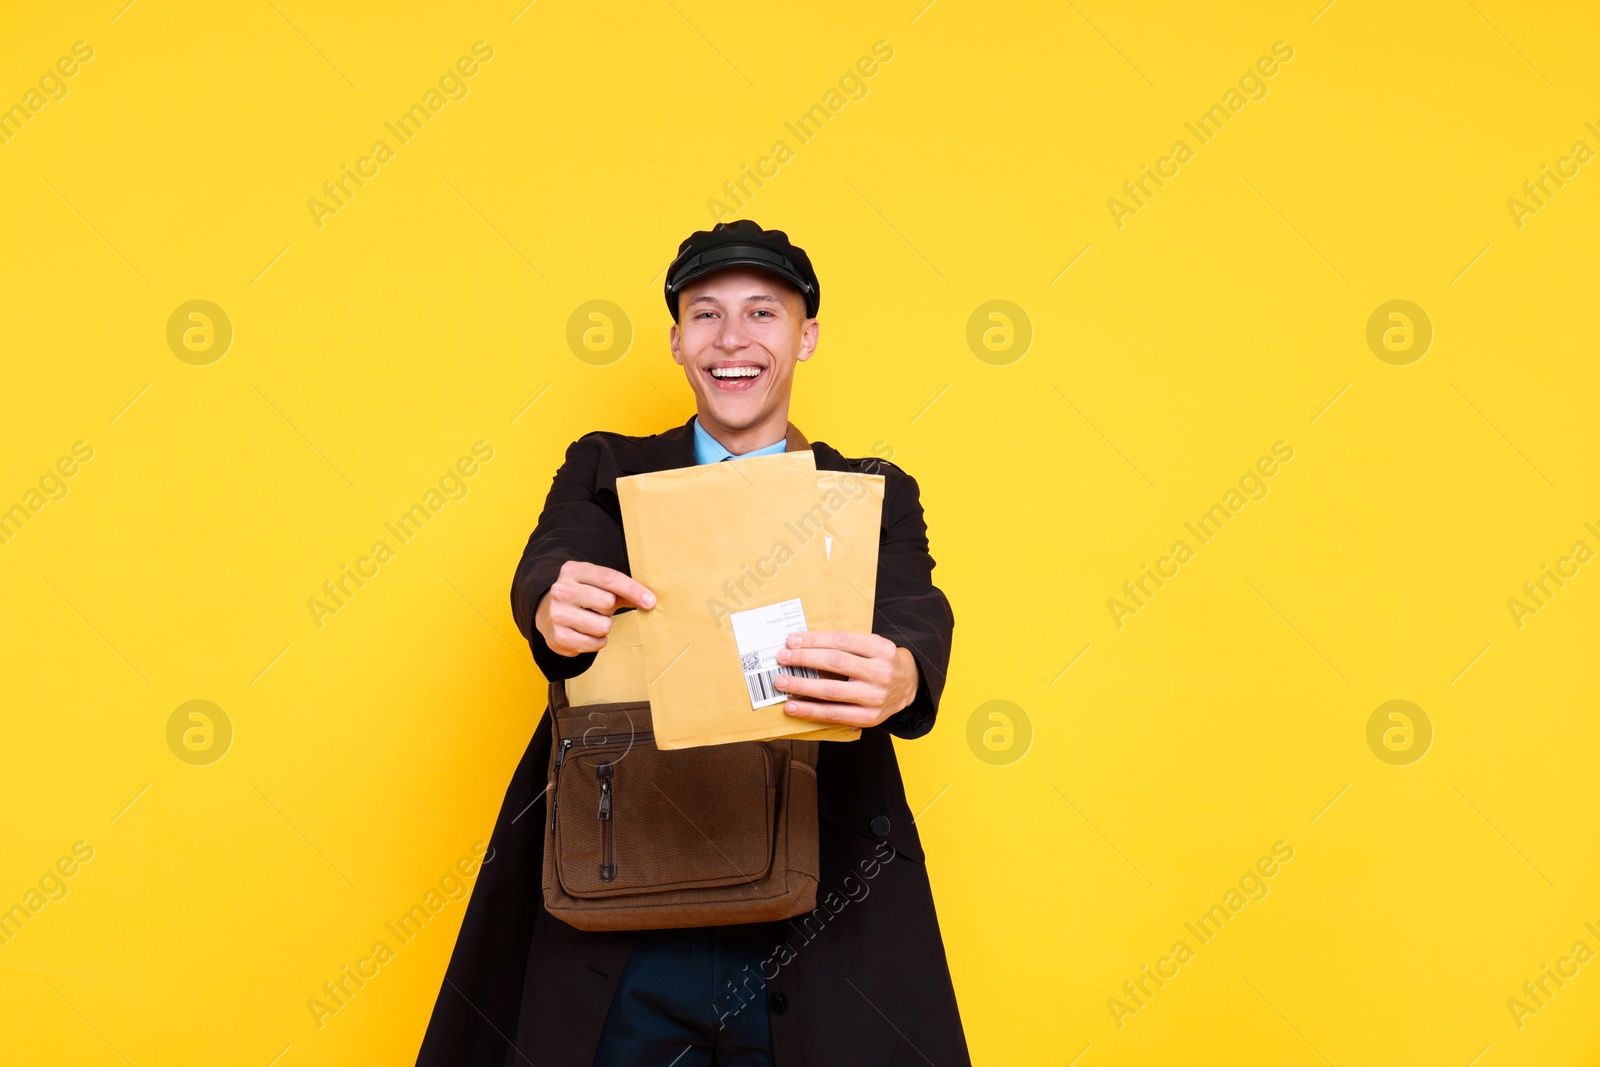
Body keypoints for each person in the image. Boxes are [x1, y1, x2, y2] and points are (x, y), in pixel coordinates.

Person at [415, 220, 969, 1066]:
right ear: (676, 342)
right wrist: (550, 602)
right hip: (632, 896)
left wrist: (904, 670)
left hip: (810, 909)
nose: (733, 339)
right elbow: (556, 557)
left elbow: (912, 604)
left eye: (762, 313)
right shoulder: (606, 468)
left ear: (806, 337)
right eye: (706, 315)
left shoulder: (868, 491)